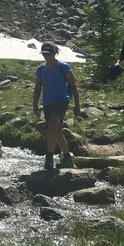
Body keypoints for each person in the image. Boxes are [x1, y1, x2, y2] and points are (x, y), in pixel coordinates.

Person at [33, 41, 81, 170]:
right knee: (57, 131)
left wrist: (77, 105)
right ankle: (67, 157)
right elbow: (37, 88)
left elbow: (73, 86)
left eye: (48, 54)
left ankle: (49, 158)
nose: (46, 56)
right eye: (44, 54)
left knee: (53, 124)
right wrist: (35, 105)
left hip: (62, 99)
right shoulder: (40, 69)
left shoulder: (63, 67)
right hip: (47, 102)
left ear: (54, 53)